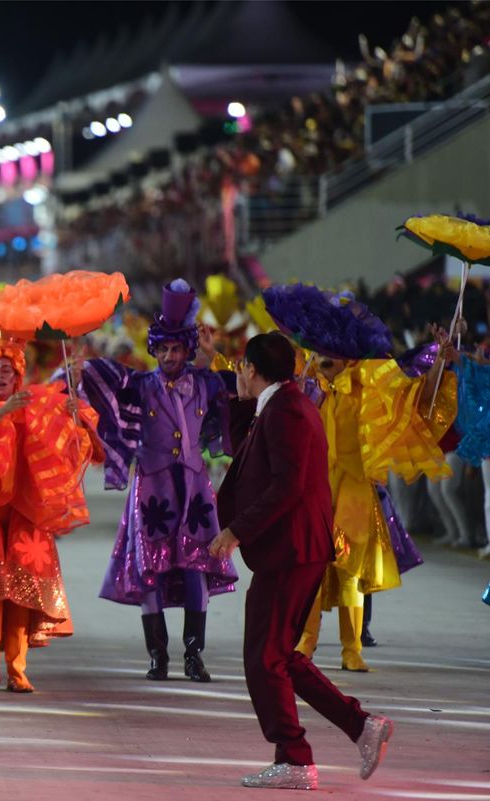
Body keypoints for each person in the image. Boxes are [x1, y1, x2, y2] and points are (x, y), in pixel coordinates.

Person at [211, 332, 392, 791]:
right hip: (292, 549)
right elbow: (247, 457)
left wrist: (236, 531)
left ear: (252, 368)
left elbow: (286, 486)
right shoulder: (279, 405)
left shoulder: (288, 409)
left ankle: (294, 757)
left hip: (291, 550)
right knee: (280, 657)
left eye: (241, 368)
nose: (239, 374)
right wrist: (236, 399)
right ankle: (360, 725)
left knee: (262, 658)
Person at [76, 279, 236, 683]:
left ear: (188, 349)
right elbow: (99, 378)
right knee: (151, 568)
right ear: (154, 350)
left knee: (197, 564)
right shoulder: (140, 386)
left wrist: (214, 357)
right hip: (152, 489)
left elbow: (238, 395)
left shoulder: (204, 383)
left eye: (176, 349)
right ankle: (157, 656)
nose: (169, 356)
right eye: (162, 349)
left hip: (196, 489)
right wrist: (78, 369)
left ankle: (194, 656)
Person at [296, 327, 456, 671]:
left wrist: (437, 364)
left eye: (335, 351)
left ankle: (351, 649)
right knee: (311, 569)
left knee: (350, 571)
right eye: (323, 349)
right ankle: (305, 643)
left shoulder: (367, 386)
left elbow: (412, 398)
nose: (328, 357)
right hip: (316, 491)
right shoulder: (308, 388)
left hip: (354, 491)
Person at [0, 336, 103, 693]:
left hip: (26, 510)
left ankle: (17, 669)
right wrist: (3, 412)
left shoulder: (34, 402)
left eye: (6, 370)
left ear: (17, 375)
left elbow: (69, 425)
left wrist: (71, 417)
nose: (0, 376)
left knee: (21, 590)